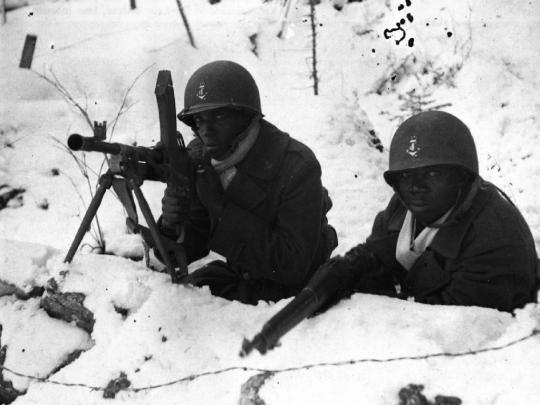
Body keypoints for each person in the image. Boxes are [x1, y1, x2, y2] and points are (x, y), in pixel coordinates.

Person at [311, 110, 537, 313]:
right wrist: (344, 271)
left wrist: (373, 305)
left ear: (460, 177)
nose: (415, 187)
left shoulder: (495, 233)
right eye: (406, 175)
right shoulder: (406, 206)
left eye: (431, 174)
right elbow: (377, 253)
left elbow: (456, 321)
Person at [158, 60, 337, 305]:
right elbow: (192, 246)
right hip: (240, 276)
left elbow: (293, 264)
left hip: (296, 292)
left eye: (218, 116)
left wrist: (220, 208)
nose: (206, 131)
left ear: (245, 117)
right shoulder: (202, 157)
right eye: (199, 120)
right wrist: (171, 225)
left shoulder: (296, 165)